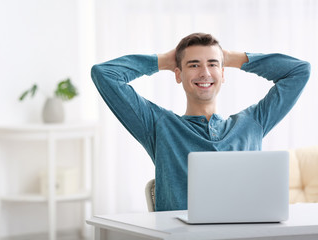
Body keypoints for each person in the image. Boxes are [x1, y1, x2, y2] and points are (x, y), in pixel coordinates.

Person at [91, 33, 311, 211]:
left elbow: (300, 71)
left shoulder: (253, 122)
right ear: (178, 75)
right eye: (194, 65)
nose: (205, 73)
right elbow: (104, 74)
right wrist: (164, 61)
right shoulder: (159, 125)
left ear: (223, 74)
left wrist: (231, 57)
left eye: (213, 64)